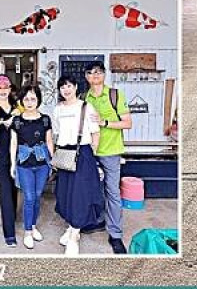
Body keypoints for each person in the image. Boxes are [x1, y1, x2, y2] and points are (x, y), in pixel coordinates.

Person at [52, 73, 105, 256]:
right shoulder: (58, 109)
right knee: (65, 194)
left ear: (75, 87)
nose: (66, 89)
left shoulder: (86, 106)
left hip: (83, 154)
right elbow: (56, 134)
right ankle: (71, 226)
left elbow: (96, 132)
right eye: (62, 86)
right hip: (65, 155)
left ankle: (74, 236)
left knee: (80, 195)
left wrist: (93, 156)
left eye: (69, 85)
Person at [83, 61, 132, 255]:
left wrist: (104, 122)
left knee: (112, 191)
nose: (94, 75)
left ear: (104, 74)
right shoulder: (83, 97)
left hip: (111, 151)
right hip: (89, 151)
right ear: (86, 76)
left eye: (98, 72)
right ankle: (98, 221)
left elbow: (127, 123)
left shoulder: (115, 95)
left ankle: (116, 234)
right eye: (90, 72)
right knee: (93, 190)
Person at [9, 85, 53, 250]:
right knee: (28, 197)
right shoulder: (17, 121)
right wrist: (13, 164)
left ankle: (33, 227)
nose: (29, 102)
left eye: (33, 98)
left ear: (38, 100)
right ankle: (27, 232)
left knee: (37, 195)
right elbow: (14, 143)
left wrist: (53, 161)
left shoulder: (45, 119)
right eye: (26, 98)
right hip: (24, 163)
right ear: (21, 100)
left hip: (42, 162)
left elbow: (49, 141)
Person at [0, 75, 20, 247]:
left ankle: (12, 217)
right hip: (1, 154)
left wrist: (15, 118)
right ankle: (9, 233)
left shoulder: (18, 107)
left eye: (5, 87)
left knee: (15, 188)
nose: (2, 90)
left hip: (18, 154)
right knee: (6, 189)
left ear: (10, 89)